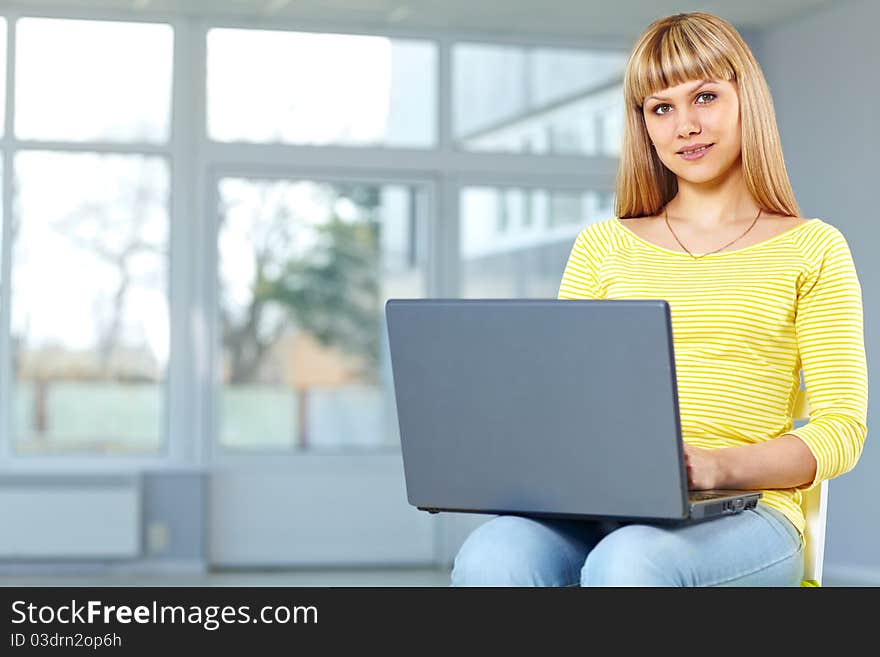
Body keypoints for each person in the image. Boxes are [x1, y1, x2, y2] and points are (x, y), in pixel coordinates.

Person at [451, 11, 868, 587]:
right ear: (644, 125)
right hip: (603, 510)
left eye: (705, 96)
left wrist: (716, 467)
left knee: (630, 560)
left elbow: (840, 430)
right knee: (493, 553)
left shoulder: (814, 248)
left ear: (748, 101)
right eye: (662, 108)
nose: (686, 125)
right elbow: (562, 407)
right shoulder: (602, 246)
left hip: (749, 513)